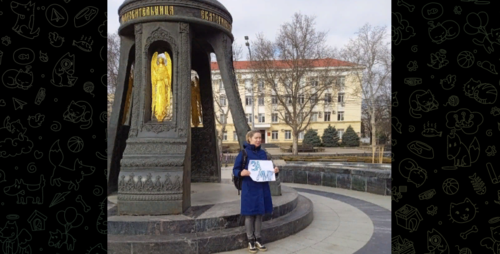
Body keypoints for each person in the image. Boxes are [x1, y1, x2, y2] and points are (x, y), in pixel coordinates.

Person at [233, 130, 279, 253]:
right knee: (249, 214)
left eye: (260, 138)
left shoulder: (264, 154)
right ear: (249, 139)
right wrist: (240, 173)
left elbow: (270, 168)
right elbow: (235, 169)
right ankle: (250, 240)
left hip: (262, 187)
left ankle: (258, 238)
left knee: (259, 214)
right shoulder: (243, 153)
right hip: (249, 187)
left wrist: (275, 171)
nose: (259, 140)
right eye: (256, 138)